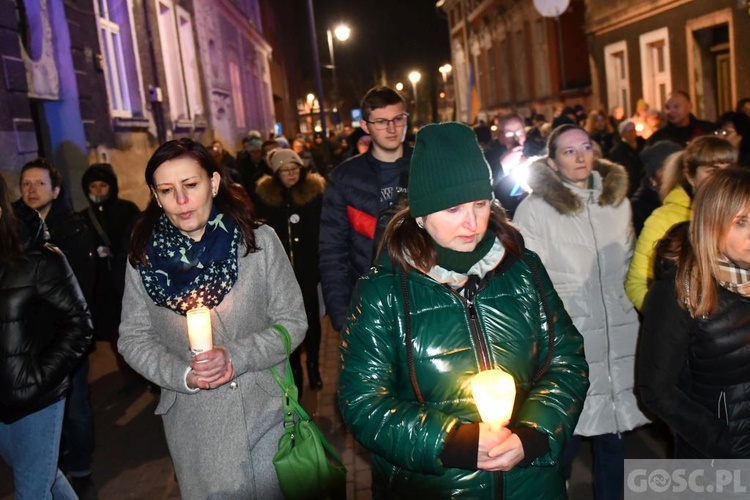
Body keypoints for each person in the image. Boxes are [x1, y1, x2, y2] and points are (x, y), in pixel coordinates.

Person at [338, 122, 589, 498]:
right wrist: (452, 442)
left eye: (480, 204)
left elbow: (566, 360)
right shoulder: (383, 290)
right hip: (436, 486)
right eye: (453, 208)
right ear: (421, 215)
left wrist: (534, 434)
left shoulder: (523, 269)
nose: (471, 223)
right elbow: (363, 402)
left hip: (531, 483)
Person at [117, 138, 307, 498]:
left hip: (266, 413)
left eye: (191, 185)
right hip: (197, 426)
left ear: (214, 183)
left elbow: (293, 321)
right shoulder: (143, 259)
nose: (182, 200)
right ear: (156, 197)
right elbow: (134, 338)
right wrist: (182, 374)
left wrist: (236, 355)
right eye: (167, 190)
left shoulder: (259, 242)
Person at [513, 124, 648, 500]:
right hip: (571, 340)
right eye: (568, 151)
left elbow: (629, 264)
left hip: (619, 335)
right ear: (552, 161)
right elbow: (527, 280)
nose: (580, 156)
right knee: (565, 437)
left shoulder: (616, 203)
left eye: (586, 147)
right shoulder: (535, 210)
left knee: (613, 436)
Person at [637, 167, 750, 458]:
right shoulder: (680, 291)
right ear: (711, 223)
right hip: (717, 459)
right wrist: (725, 444)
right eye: (741, 222)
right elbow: (657, 389)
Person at [0, 173, 93, 499]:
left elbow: (80, 325)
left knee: (32, 489)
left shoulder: (40, 257)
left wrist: (38, 379)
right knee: (45, 476)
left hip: (36, 400)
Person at [319, 85, 413, 332]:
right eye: (381, 121)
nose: (392, 128)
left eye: (397, 119)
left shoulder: (425, 166)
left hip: (424, 296)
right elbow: (332, 251)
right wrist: (341, 317)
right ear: (365, 126)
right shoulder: (344, 178)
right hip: (370, 304)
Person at [625, 135, 736, 311]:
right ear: (691, 177)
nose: (722, 178)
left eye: (728, 170)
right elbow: (638, 282)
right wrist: (668, 320)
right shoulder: (665, 219)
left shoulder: (742, 215)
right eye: (712, 170)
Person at [254, 149, 326, 393]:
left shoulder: (313, 195)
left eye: (295, 169)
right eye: (286, 170)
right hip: (280, 275)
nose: (291, 174)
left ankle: (314, 366)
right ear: (276, 174)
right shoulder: (266, 199)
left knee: (312, 322)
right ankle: (295, 368)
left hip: (307, 270)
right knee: (286, 323)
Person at [79, 163, 142, 393]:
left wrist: (117, 250)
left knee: (139, 330)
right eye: (93, 186)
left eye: (102, 185)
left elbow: (138, 240)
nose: (98, 190)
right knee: (116, 335)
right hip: (104, 287)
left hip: (128, 281)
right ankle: (130, 378)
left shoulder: (127, 209)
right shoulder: (84, 217)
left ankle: (150, 375)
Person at [630, 141, 683, 237]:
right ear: (653, 174)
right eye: (669, 168)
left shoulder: (685, 197)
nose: (675, 174)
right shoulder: (638, 208)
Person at [647, 91, 716, 146]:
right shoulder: (658, 138)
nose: (671, 111)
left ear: (689, 106)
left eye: (676, 107)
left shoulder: (707, 130)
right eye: (667, 108)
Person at [608, 119, 646, 196]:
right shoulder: (617, 151)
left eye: (633, 130)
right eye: (628, 131)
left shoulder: (643, 144)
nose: (631, 133)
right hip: (630, 186)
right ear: (622, 134)